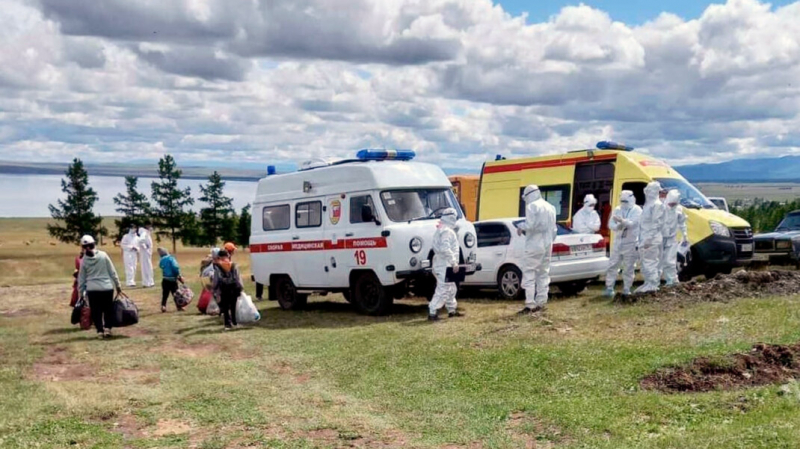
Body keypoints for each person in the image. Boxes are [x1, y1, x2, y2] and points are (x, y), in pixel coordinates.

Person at [516, 185, 558, 314]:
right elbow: (554, 230)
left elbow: (531, 225)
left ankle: (530, 305)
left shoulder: (532, 206)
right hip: (548, 244)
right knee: (543, 273)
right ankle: (541, 302)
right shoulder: (551, 207)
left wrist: (520, 227)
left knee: (529, 273)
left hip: (534, 245)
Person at [77, 235, 123, 339]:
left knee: (96, 311)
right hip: (106, 287)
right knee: (108, 309)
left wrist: (81, 292)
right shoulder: (103, 255)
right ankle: (107, 328)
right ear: (94, 243)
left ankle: (99, 331)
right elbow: (112, 272)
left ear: (83, 247)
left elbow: (82, 278)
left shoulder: (83, 260)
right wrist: (118, 285)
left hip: (92, 289)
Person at [603, 190, 642, 297]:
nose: (624, 203)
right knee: (613, 265)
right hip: (618, 242)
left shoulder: (637, 210)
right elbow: (611, 223)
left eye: (626, 201)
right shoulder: (618, 209)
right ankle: (609, 287)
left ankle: (626, 288)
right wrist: (617, 227)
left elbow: (633, 224)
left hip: (631, 242)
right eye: (622, 201)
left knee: (628, 267)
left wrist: (622, 221)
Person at [428, 208, 462, 321]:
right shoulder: (446, 231)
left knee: (451, 288)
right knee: (443, 288)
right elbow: (445, 248)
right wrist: (453, 262)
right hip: (444, 264)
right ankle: (432, 312)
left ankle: (451, 310)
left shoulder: (444, 229)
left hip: (445, 264)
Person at [635, 181, 666, 294]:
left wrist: (649, 239)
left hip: (652, 239)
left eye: (648, 190)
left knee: (650, 262)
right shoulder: (648, 205)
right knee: (644, 262)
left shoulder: (657, 205)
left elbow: (656, 224)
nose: (646, 192)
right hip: (645, 238)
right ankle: (648, 283)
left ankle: (653, 285)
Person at [660, 190, 689, 286]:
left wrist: (685, 234)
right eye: (671, 203)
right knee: (659, 261)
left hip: (672, 238)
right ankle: (655, 282)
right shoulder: (660, 208)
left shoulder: (678, 209)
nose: (672, 205)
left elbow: (682, 222)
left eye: (674, 204)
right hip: (660, 237)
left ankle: (672, 281)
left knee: (670, 260)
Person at [211, 249, 244, 331]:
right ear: (228, 256)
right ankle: (234, 322)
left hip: (224, 288)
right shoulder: (234, 265)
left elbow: (216, 278)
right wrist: (241, 287)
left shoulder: (218, 266)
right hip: (234, 288)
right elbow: (238, 277)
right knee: (233, 305)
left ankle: (227, 324)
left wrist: (214, 288)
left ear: (219, 257)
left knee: (225, 307)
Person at [158, 247, 185, 312]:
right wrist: (179, 276)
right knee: (176, 294)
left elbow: (161, 266)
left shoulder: (161, 260)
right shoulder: (171, 259)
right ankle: (179, 306)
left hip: (165, 280)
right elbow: (175, 268)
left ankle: (163, 306)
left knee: (165, 294)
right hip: (173, 280)